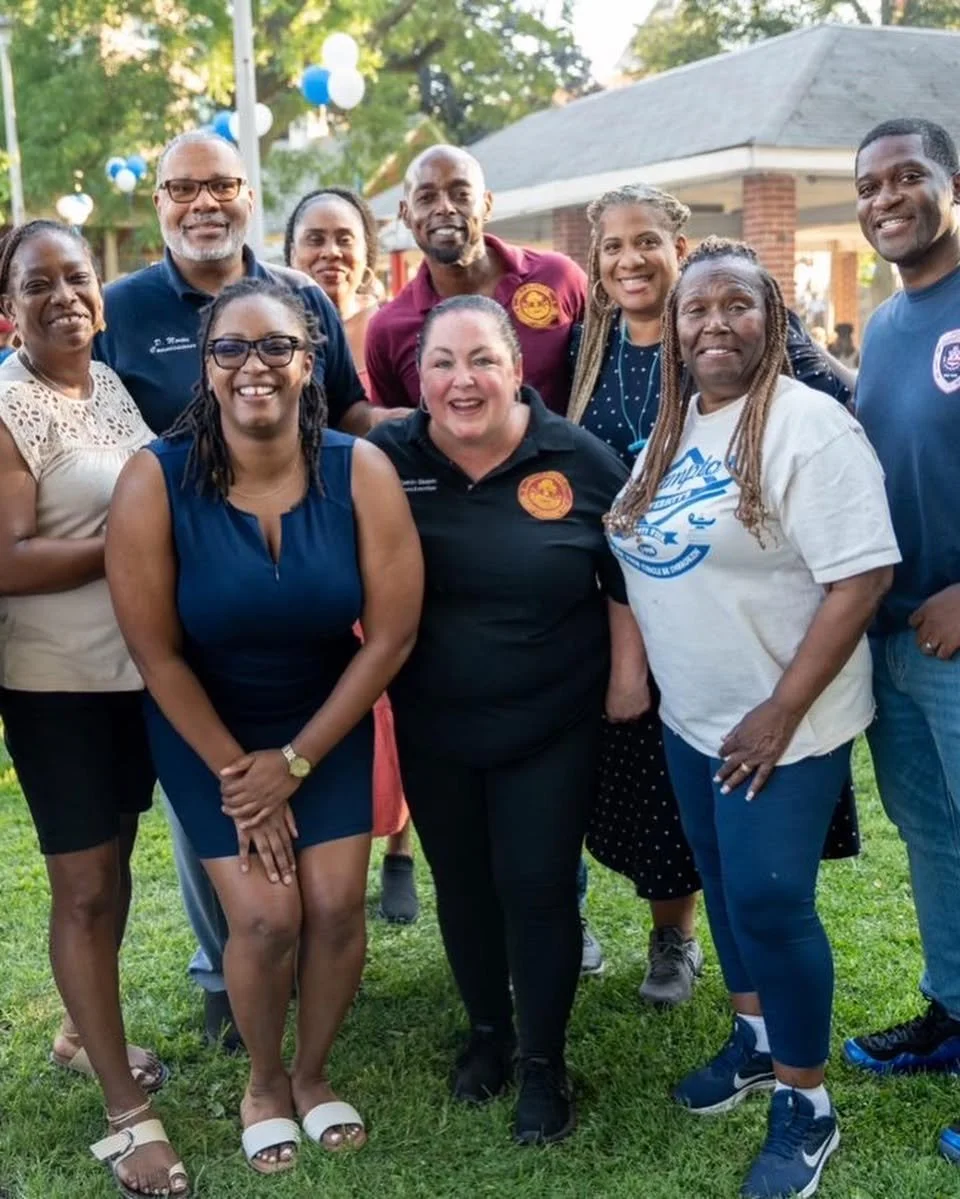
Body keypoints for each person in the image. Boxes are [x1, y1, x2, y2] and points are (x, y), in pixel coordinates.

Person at [106, 277, 423, 1173]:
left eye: (276, 346)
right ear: (206, 368)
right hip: (206, 723)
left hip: (325, 715)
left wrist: (298, 758)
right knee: (266, 917)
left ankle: (313, 1074)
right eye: (231, 348)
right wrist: (247, 777)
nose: (255, 366)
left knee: (334, 904)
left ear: (309, 358)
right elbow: (155, 651)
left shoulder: (359, 470)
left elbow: (392, 632)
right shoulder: (152, 479)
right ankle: (261, 1079)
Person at [606, 237, 898, 1199]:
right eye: (697, 310)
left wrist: (781, 708)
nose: (714, 323)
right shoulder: (678, 423)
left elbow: (862, 574)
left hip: (785, 719)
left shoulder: (809, 428)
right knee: (724, 882)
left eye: (737, 304)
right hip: (697, 717)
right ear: (676, 331)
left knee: (771, 897)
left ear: (773, 319)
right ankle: (759, 1039)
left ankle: (807, 1104)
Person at [94, 129, 386, 1052]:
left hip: (300, 598)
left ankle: (300, 1009)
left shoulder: (306, 303)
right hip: (186, 596)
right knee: (229, 863)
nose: (203, 203)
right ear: (160, 202)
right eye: (182, 187)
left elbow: (346, 416)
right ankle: (229, 972)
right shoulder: (120, 308)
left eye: (221, 184)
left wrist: (447, 437)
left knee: (327, 891)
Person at [568, 183, 861, 1008]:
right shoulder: (592, 349)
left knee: (750, 842)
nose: (631, 259)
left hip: (746, 618)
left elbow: (838, 408)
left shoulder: (746, 340)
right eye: (614, 246)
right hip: (636, 607)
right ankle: (710, 971)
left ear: (679, 247)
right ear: (596, 263)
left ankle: (692, 946)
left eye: (647, 241)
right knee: (661, 794)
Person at [369, 294, 648, 1144]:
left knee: (534, 884)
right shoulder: (386, 457)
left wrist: (627, 680)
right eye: (442, 362)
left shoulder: (579, 456)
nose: (462, 379)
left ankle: (542, 1061)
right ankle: (489, 1032)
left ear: (517, 370)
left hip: (550, 719)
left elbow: (628, 575)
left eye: (482, 359)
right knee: (464, 886)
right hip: (434, 720)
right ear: (418, 377)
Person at [365, 144, 605, 973]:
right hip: (456, 564)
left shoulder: (561, 280)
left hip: (562, 527)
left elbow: (591, 383)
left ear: (488, 200)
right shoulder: (393, 326)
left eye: (457, 190)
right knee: (470, 859)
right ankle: (492, 990)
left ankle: (559, 916)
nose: (442, 205)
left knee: (539, 856)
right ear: (403, 214)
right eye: (423, 194)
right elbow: (400, 449)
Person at [0, 221, 188, 1197]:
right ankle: (125, 1109)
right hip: (54, 684)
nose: (64, 294)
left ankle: (81, 1031)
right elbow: (5, 560)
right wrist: (134, 542)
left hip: (132, 676)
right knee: (81, 887)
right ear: (11, 305)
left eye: (78, 277)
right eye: (40, 283)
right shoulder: (9, 403)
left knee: (112, 867)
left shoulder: (106, 385)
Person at [848, 118, 960, 1165]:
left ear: (951, 182)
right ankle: (953, 1011)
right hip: (899, 633)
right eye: (870, 183)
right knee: (934, 839)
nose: (887, 196)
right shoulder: (884, 325)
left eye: (908, 177)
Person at [285, 186, 419, 925]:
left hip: (387, 529)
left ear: (368, 249)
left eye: (344, 239)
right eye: (314, 239)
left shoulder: (387, 327)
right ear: (290, 251)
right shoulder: (276, 322)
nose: (329, 253)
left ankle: (400, 847)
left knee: (394, 694)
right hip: (310, 534)